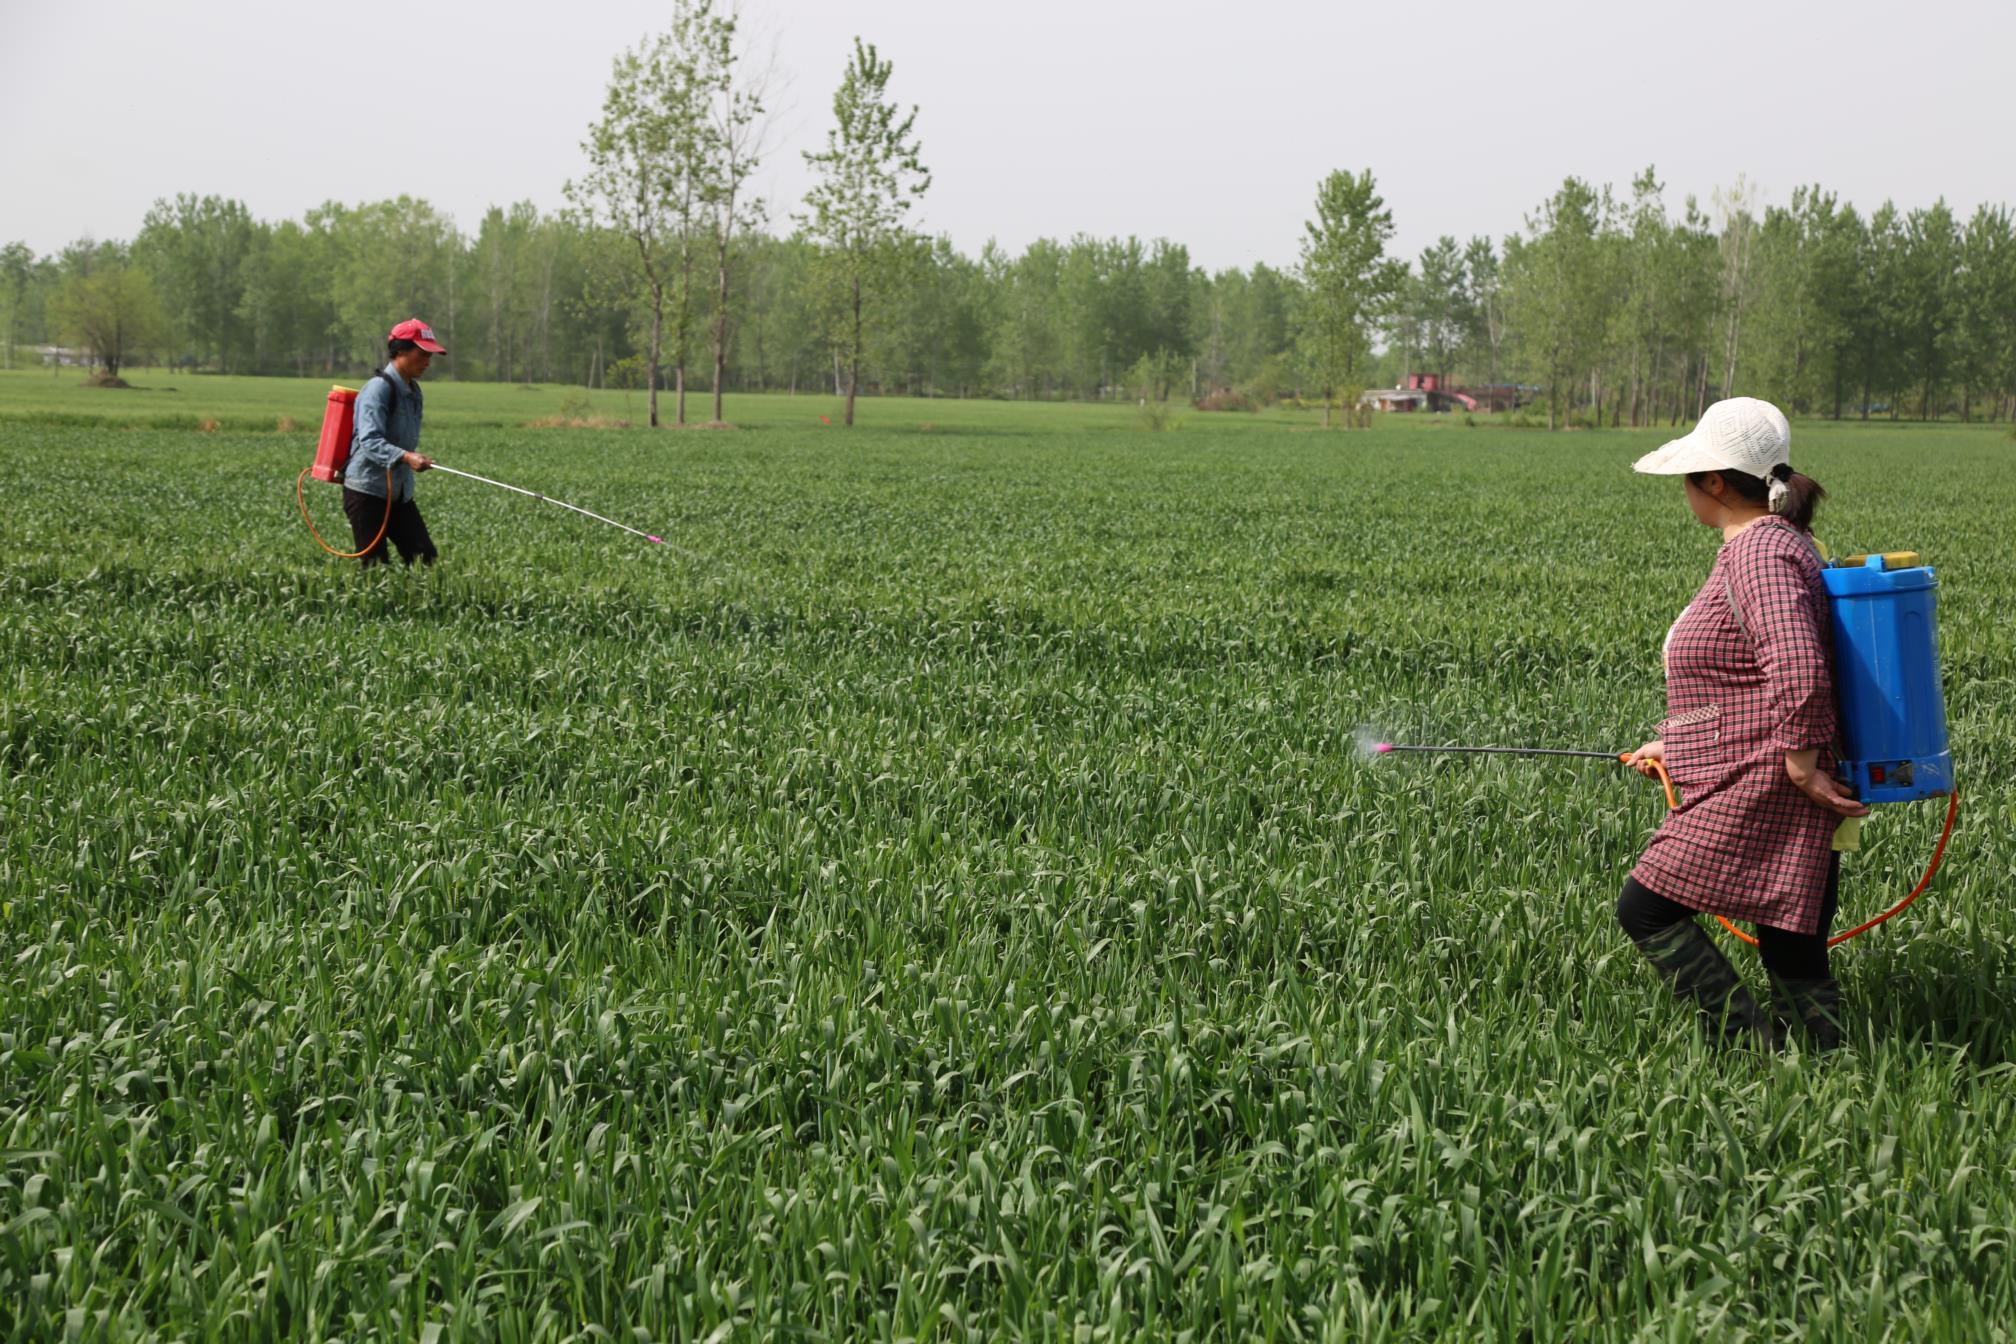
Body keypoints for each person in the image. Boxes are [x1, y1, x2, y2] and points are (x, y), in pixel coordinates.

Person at [1617, 397, 1868, 1051]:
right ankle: (1821, 1063)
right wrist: (1672, 743)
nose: (1685, 490)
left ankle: (1747, 1045)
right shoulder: (1778, 544)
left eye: (1691, 475)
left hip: (1765, 777)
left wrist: (1800, 765)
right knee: (1791, 938)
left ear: (1717, 482)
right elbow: (1741, 685)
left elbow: (1796, 664)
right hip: (1762, 765)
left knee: (1646, 907)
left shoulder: (1758, 552)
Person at [343, 318, 445, 567]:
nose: (427, 362)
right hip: (367, 491)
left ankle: (421, 604)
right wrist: (406, 457)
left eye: (430, 356)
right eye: (422, 354)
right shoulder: (377, 389)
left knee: (424, 557)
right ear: (400, 352)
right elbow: (369, 439)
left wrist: (410, 458)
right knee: (375, 567)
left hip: (399, 494)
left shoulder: (414, 392)